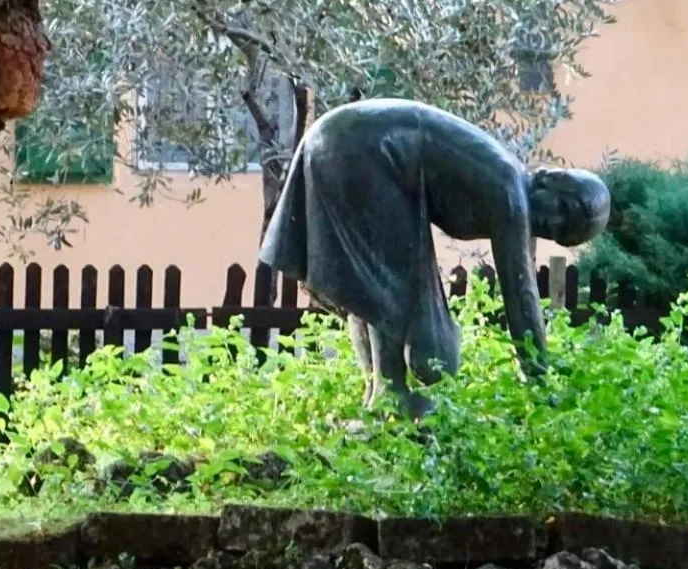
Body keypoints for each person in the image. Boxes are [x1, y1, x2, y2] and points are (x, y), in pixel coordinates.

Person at [258, 98, 610, 419]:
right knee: (389, 283)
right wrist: (539, 382)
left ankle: (380, 393)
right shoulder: (510, 193)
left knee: (367, 286)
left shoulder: (510, 187)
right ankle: (389, 392)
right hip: (362, 148)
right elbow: (520, 295)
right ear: (550, 181)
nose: (554, 224)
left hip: (340, 139)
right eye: (564, 210)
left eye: (564, 233)